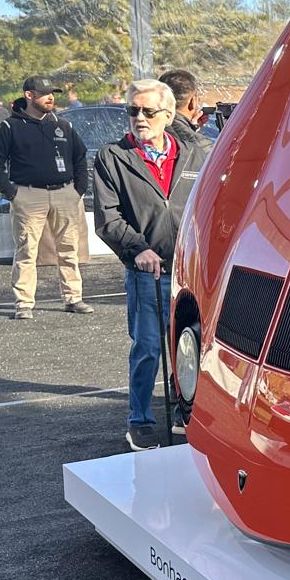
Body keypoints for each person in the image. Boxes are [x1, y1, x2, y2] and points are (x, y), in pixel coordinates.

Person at [94, 78, 208, 452]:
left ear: (169, 115)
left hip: (189, 273)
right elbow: (108, 218)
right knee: (147, 348)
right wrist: (138, 250)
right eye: (133, 110)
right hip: (147, 272)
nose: (139, 118)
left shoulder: (193, 155)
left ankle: (183, 413)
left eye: (148, 111)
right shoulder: (113, 157)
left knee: (188, 347)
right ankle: (140, 420)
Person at [0, 75, 94, 320]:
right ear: (29, 95)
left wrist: (78, 190)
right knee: (26, 251)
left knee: (69, 249)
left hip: (65, 194)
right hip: (28, 195)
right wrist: (12, 193)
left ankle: (73, 298)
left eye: (52, 93)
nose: (50, 97)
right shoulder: (10, 127)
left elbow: (80, 157)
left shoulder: (63, 125)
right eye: (44, 93)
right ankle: (24, 303)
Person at [158, 68, 213, 157]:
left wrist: (193, 127)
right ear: (193, 101)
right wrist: (194, 132)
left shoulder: (147, 131)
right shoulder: (202, 145)